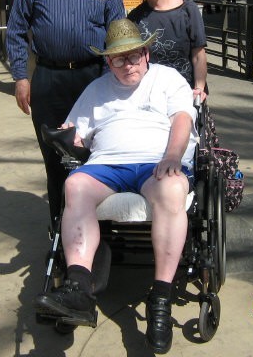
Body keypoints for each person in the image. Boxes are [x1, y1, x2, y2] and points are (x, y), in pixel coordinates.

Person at [34, 19, 197, 354]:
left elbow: (182, 119)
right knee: (75, 185)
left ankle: (161, 298)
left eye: (134, 56)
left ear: (146, 53)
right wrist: (68, 136)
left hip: (157, 161)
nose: (128, 65)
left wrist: (172, 155)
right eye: (118, 59)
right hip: (107, 163)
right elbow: (78, 135)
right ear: (107, 61)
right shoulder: (96, 90)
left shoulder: (167, 79)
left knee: (170, 191)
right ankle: (79, 286)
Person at [6, 0, 125, 225]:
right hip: (49, 80)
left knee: (97, 154)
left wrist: (120, 80)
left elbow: (119, 31)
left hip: (95, 79)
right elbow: (16, 28)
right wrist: (21, 77)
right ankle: (60, 231)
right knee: (56, 159)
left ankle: (99, 228)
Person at [127, 0, 208, 102]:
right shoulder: (134, 18)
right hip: (150, 97)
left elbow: (198, 55)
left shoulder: (188, 10)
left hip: (186, 94)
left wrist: (199, 88)